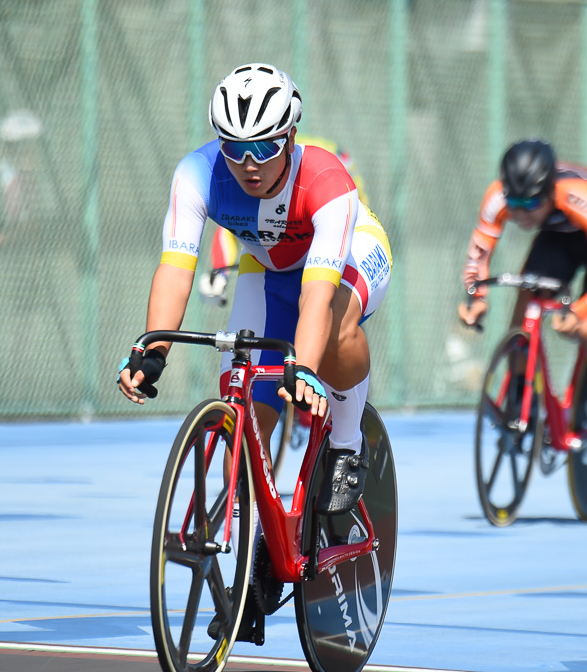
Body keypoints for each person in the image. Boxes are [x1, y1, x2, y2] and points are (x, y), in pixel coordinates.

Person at [118, 62, 393, 514]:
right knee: (243, 413)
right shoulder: (197, 173)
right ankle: (255, 539)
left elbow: (317, 296)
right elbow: (175, 268)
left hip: (346, 260)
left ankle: (347, 445)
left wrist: (303, 367)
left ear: (290, 135)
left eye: (265, 147)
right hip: (265, 268)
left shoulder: (326, 180)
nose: (249, 165)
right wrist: (152, 350)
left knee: (337, 325)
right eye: (235, 148)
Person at [456, 139, 587, 422]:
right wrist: (476, 298)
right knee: (526, 298)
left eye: (530, 204)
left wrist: (581, 310)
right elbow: (479, 252)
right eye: (514, 203)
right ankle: (520, 392)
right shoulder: (498, 197)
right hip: (560, 236)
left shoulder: (580, 197)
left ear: (550, 192)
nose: (520, 214)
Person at [197, 134, 373, 307]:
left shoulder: (328, 169)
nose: (250, 167)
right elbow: (231, 228)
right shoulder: (265, 167)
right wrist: (220, 272)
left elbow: (354, 216)